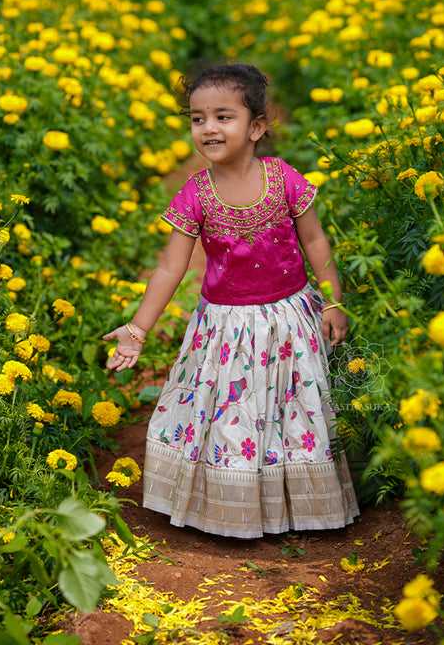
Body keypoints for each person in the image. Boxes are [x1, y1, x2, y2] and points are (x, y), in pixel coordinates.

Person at [102, 62, 360, 539]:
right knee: (231, 415)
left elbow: (316, 243)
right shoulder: (195, 194)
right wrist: (137, 330)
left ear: (256, 126)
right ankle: (229, 509)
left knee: (291, 411)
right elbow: (170, 267)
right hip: (225, 330)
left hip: (288, 323)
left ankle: (295, 505)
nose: (209, 128)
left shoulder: (283, 179)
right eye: (198, 119)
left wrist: (332, 302)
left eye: (223, 116)